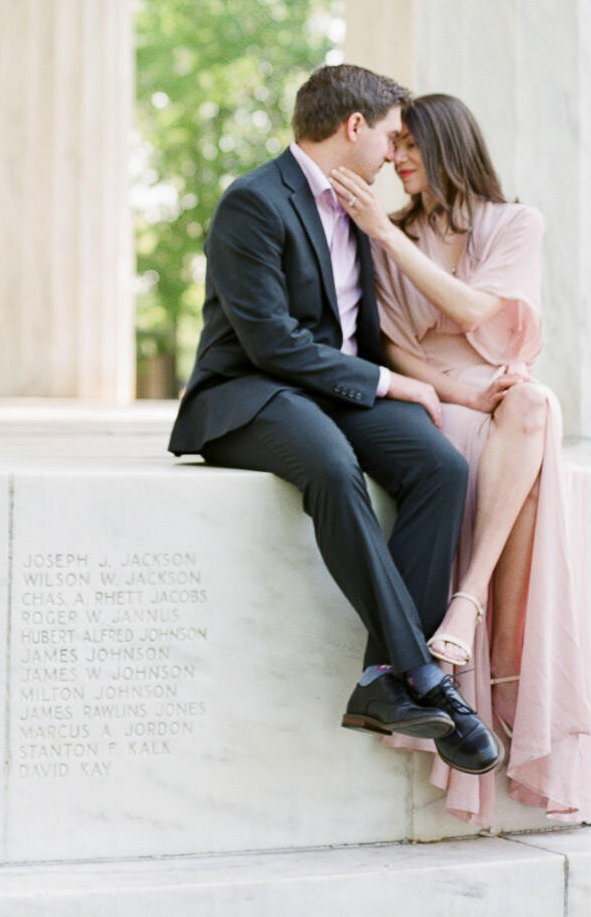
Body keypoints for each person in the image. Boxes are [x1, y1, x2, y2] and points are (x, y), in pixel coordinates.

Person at [169, 64, 503, 776]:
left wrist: (429, 385)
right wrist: (383, 382)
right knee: (329, 463)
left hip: (334, 392)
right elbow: (270, 342)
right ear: (354, 127)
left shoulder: (358, 208)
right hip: (249, 393)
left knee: (439, 466)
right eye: (388, 135)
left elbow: (365, 327)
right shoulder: (253, 202)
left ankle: (381, 679)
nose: (392, 152)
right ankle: (420, 676)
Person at [330, 92, 591, 825]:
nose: (397, 158)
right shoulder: (390, 233)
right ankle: (459, 645)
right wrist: (460, 394)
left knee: (534, 406)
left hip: (498, 388)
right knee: (496, 427)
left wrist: (388, 237)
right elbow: (393, 348)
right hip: (434, 395)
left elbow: (479, 311)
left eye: (411, 145)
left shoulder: (512, 223)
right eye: (395, 146)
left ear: (448, 144)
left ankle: (465, 602)